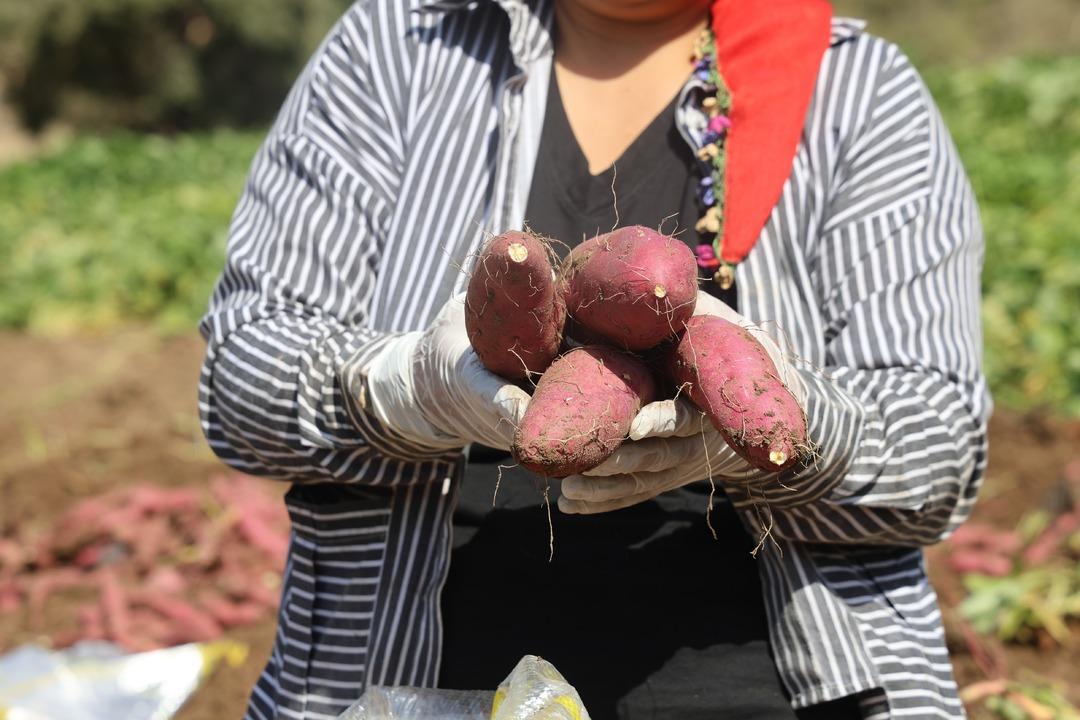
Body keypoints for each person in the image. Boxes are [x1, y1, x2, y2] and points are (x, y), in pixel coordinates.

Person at [197, 0, 989, 717]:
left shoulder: (855, 89)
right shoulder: (398, 45)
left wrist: (782, 430)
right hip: (410, 687)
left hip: (772, 690)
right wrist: (404, 391)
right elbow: (240, 382)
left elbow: (942, 449)